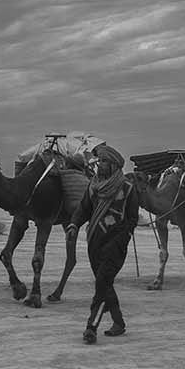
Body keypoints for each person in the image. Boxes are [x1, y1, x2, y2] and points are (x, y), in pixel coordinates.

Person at [75, 143, 141, 344]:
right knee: (105, 284)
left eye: (104, 161)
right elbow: (84, 209)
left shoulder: (128, 189)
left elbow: (132, 219)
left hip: (116, 244)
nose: (100, 165)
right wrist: (73, 225)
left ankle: (91, 327)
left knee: (102, 282)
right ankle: (119, 322)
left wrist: (121, 237)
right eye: (99, 161)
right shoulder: (93, 186)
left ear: (113, 165)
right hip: (94, 240)